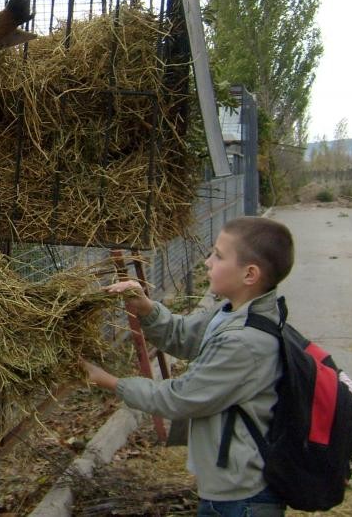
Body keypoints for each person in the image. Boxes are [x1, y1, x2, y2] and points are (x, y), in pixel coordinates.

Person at [81, 216, 295, 516]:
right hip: (229, 488)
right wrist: (146, 308)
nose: (207, 262)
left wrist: (111, 382)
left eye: (218, 256)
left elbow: (179, 398)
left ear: (250, 274)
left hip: (243, 497)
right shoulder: (231, 312)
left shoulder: (245, 342)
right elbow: (184, 336)